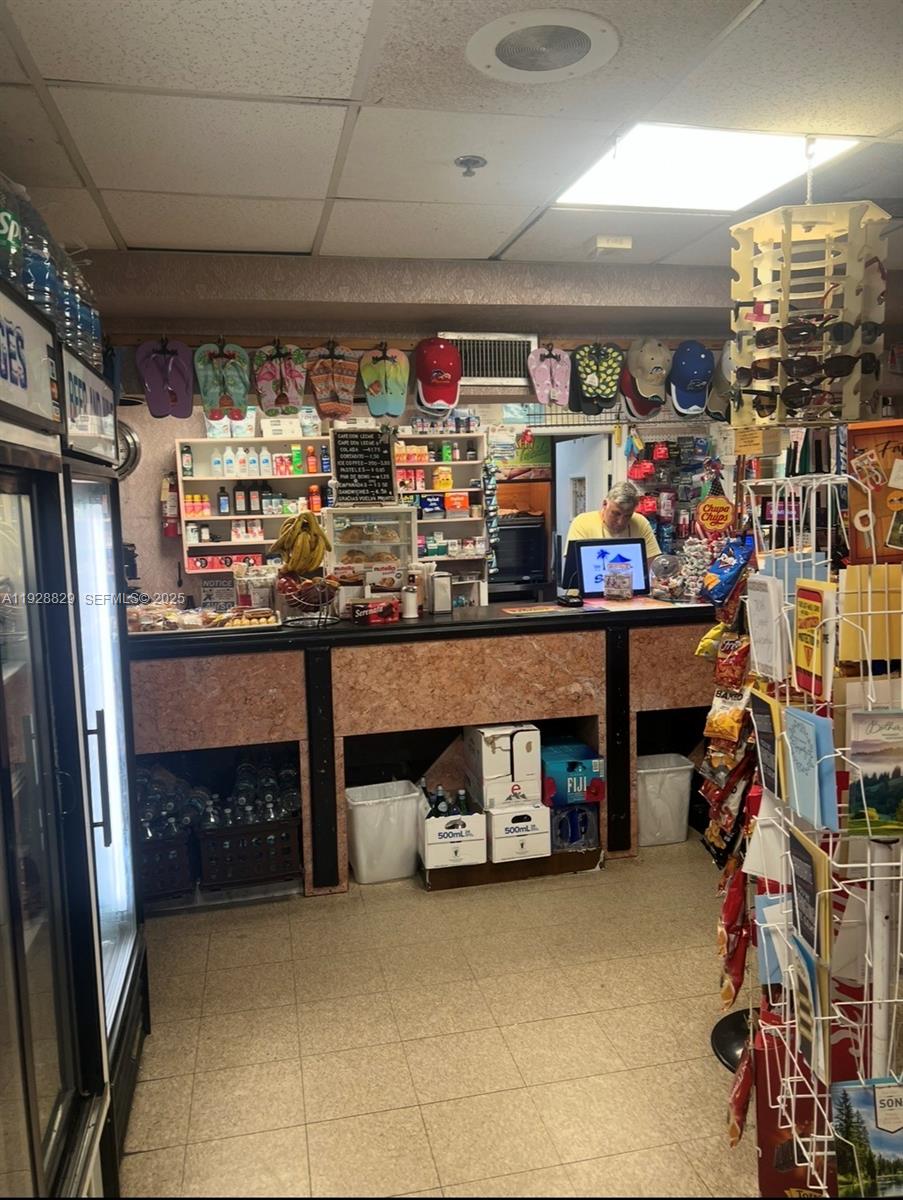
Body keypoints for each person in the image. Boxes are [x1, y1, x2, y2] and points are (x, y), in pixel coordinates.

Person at [565, 480, 660, 558]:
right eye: (616, 514)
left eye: (628, 516)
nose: (621, 522)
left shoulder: (640, 523)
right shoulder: (583, 523)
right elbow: (573, 567)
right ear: (604, 504)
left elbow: (651, 566)